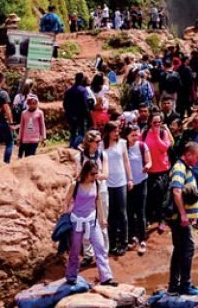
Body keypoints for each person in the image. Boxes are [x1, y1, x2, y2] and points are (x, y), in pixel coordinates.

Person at [64, 160, 117, 287]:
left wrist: (103, 218)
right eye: (93, 174)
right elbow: (66, 201)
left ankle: (106, 277)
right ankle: (71, 276)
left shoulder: (96, 184)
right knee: (75, 251)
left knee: (100, 248)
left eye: (96, 173)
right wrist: (65, 218)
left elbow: (98, 201)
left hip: (92, 220)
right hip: (77, 221)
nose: (95, 176)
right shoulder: (75, 184)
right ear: (86, 173)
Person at [167, 141, 198, 296]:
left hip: (182, 217)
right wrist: (183, 214)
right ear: (188, 154)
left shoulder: (185, 167)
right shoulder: (179, 168)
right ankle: (184, 285)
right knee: (188, 248)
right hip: (178, 218)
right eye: (197, 156)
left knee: (180, 249)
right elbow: (176, 191)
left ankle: (174, 285)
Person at [77, 129, 109, 261]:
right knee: (85, 223)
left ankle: (103, 252)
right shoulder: (79, 157)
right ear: (89, 142)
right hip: (85, 193)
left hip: (100, 191)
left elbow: (106, 175)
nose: (100, 143)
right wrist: (96, 176)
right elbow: (78, 176)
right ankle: (88, 254)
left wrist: (89, 176)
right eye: (97, 141)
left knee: (103, 222)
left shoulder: (102, 155)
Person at [102, 122, 132, 256]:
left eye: (117, 131)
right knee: (111, 215)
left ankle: (123, 242)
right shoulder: (102, 146)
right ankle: (112, 243)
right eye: (114, 131)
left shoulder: (122, 143)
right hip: (107, 183)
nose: (116, 133)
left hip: (121, 182)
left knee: (122, 213)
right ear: (108, 132)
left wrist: (130, 178)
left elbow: (126, 161)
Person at [143, 114, 173, 234]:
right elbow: (140, 146)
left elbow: (165, 148)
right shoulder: (144, 133)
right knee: (149, 196)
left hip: (162, 170)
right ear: (150, 122)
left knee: (161, 196)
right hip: (149, 170)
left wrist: (156, 136)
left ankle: (162, 220)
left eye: (159, 122)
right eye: (154, 122)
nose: (157, 124)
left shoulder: (163, 133)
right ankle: (150, 218)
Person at [125, 125, 151, 255]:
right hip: (127, 184)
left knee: (140, 212)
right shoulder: (123, 147)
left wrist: (147, 166)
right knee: (129, 211)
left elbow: (149, 161)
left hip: (141, 181)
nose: (135, 138)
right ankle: (132, 237)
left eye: (137, 135)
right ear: (127, 136)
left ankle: (142, 239)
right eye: (132, 135)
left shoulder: (142, 146)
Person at [64, 73, 93, 149]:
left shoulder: (68, 91)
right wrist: (88, 115)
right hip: (81, 116)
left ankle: (72, 145)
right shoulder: (83, 91)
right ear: (82, 79)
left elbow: (64, 104)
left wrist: (69, 113)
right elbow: (85, 104)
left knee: (73, 131)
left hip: (70, 115)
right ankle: (75, 146)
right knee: (81, 132)